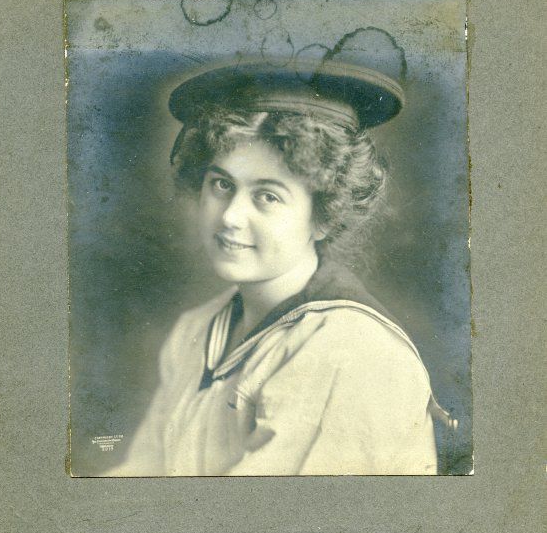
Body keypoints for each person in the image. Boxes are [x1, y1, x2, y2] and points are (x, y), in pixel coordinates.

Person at [106, 58, 454, 477]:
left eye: (267, 196)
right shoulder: (195, 331)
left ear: (324, 216)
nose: (230, 216)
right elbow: (142, 475)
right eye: (222, 184)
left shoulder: (348, 353)